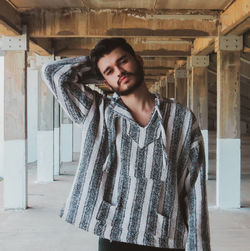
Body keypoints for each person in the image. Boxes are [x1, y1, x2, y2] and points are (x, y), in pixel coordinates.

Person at [42, 38, 211, 251]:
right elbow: (52, 73)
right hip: (114, 235)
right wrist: (96, 67)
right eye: (109, 71)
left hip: (164, 236)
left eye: (123, 61)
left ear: (138, 60)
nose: (119, 71)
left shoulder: (181, 118)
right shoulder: (97, 112)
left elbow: (195, 191)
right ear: (103, 81)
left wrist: (199, 247)